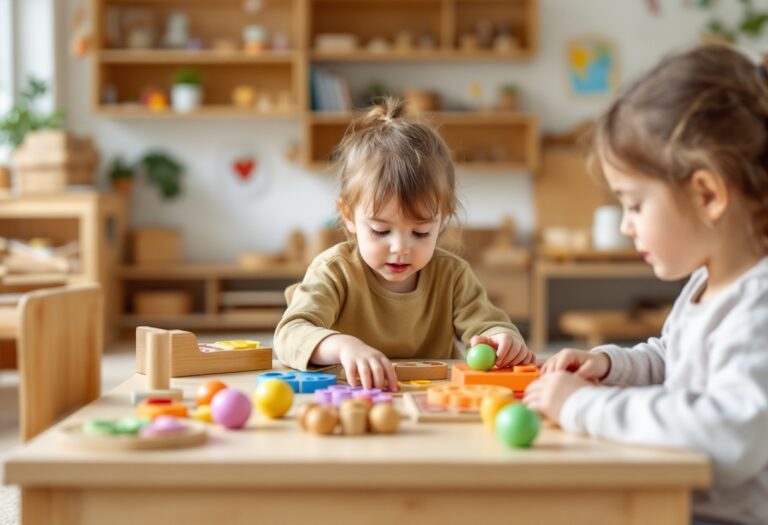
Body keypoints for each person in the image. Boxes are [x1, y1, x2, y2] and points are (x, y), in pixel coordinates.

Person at [524, 45, 768, 525]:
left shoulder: (757, 304)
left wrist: (585, 407)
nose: (625, 226)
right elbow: (670, 360)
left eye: (634, 205)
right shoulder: (706, 281)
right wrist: (610, 366)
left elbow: (729, 434)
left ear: (707, 194)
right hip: (674, 500)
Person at [274, 98, 533, 391]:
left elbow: (488, 326)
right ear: (348, 215)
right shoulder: (334, 270)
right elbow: (289, 334)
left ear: (442, 220)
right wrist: (342, 346)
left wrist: (501, 339)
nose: (400, 248)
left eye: (420, 233)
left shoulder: (453, 276)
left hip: (430, 400)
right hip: (354, 398)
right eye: (381, 231)